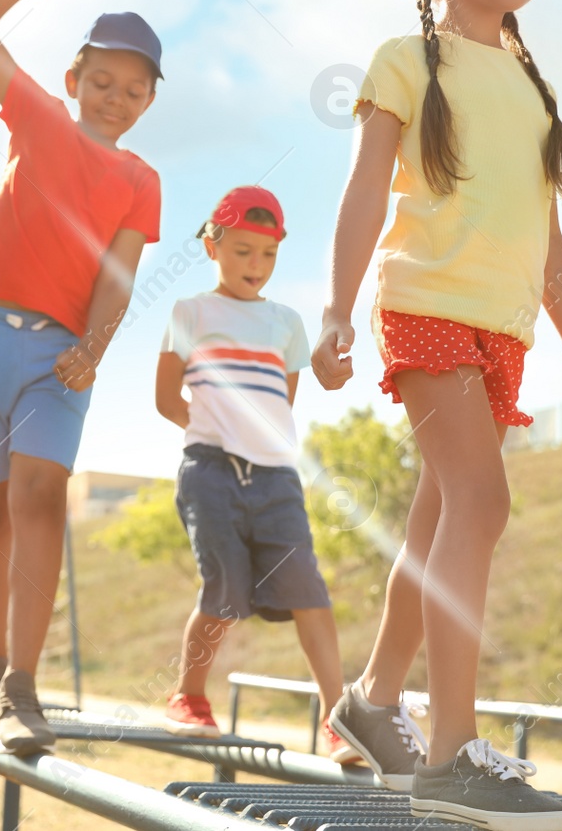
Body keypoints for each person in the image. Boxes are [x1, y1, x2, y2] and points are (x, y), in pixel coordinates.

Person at [312, 0, 562, 829]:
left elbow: (549, 242)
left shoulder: (532, 92)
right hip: (424, 305)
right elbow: (366, 189)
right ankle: (451, 751)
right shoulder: (406, 61)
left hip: (504, 331)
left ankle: (372, 701)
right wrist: (335, 308)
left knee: (438, 516)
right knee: (480, 500)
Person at [0, 0, 163, 755]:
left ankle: (21, 687)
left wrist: (96, 347)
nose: (115, 96)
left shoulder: (141, 178)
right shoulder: (37, 115)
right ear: (73, 82)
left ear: (147, 101)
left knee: (41, 495)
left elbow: (119, 273)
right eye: (101, 81)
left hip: (63, 353)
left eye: (133, 89)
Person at [155, 187, 361, 766]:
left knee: (310, 594)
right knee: (223, 590)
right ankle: (189, 696)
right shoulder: (190, 313)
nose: (255, 265)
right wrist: (213, 430)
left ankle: (338, 720)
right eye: (243, 250)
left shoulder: (286, 322)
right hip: (210, 473)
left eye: (267, 254)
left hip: (276, 480)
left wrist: (255, 439)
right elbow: (165, 397)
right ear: (211, 246)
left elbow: (282, 400)